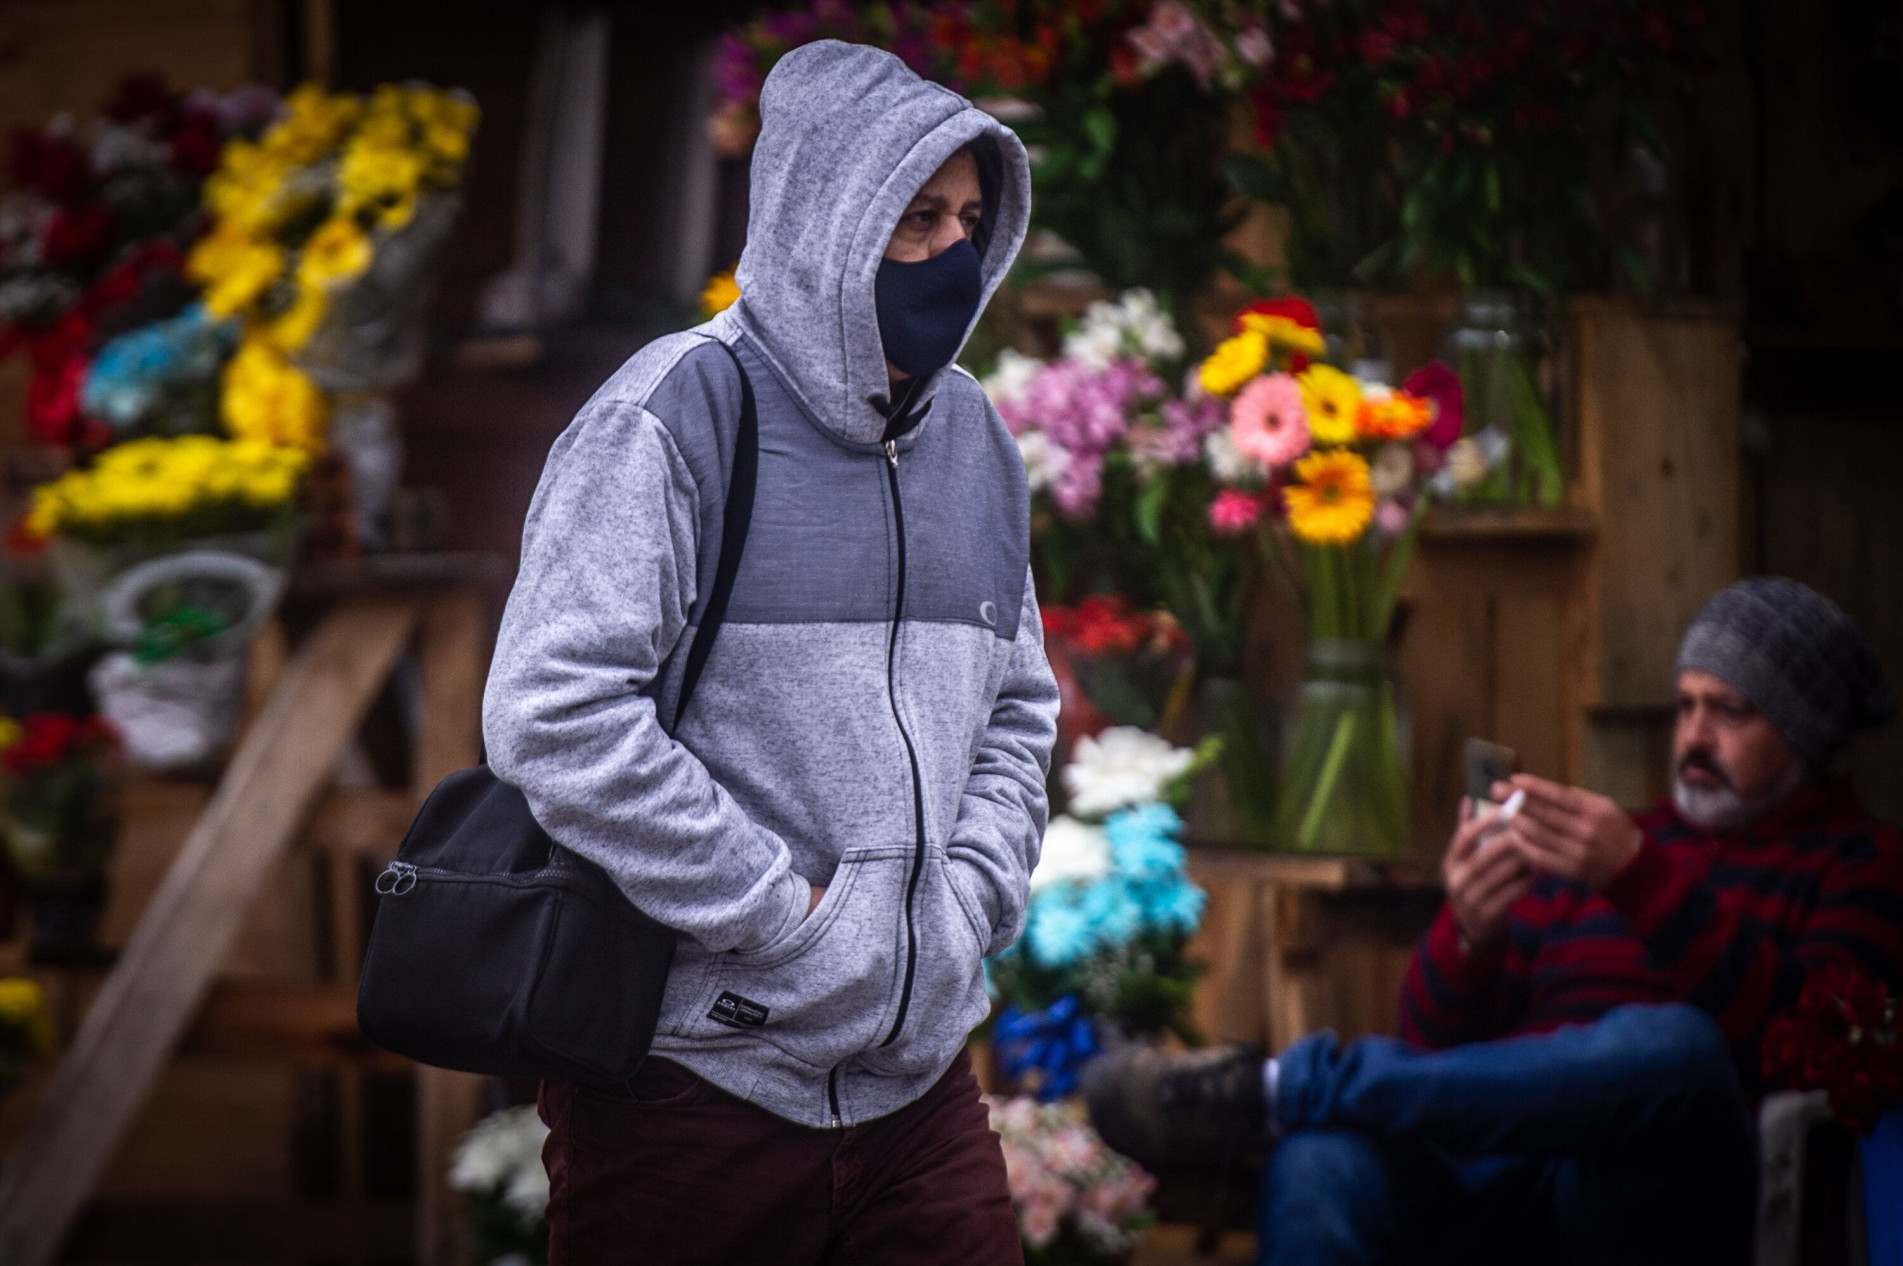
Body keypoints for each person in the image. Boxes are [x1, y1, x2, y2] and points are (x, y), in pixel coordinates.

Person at [482, 41, 1057, 1265]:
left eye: (965, 220)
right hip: (695, 1088)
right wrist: (784, 917)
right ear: (824, 220)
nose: (948, 255)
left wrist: (967, 901)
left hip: (920, 1094)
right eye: (912, 221)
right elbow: (554, 712)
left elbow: (1018, 705)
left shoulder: (976, 443)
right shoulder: (672, 414)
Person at [1087, 576, 1903, 1265]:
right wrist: (1468, 934)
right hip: (1503, 1165)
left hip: (1655, 1190)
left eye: (1729, 713)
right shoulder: (1605, 841)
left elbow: (1819, 1044)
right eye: (1685, 705)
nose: (1693, 735)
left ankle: (1280, 1085)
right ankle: (1287, 1099)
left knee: (1674, 1046)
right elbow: (1436, 1051)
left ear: (1805, 733)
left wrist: (1639, 881)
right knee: (1321, 1156)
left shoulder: (1857, 862)